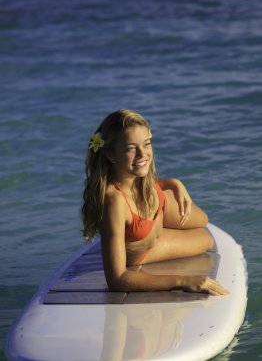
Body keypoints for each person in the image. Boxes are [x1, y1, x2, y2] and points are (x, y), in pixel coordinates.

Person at [82, 109, 228, 296]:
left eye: (146, 144)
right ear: (111, 156)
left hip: (155, 202)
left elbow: (133, 188)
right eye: (130, 148)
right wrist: (183, 281)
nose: (142, 154)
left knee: (203, 220)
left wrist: (173, 183)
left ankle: (160, 222)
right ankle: (159, 229)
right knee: (205, 240)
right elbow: (116, 279)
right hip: (147, 246)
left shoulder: (139, 180)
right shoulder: (113, 201)